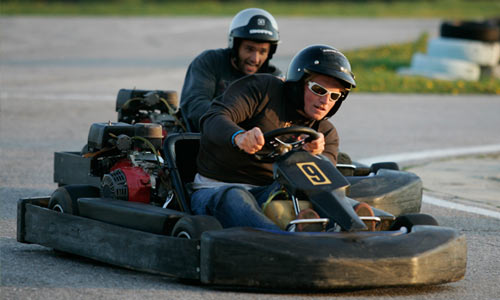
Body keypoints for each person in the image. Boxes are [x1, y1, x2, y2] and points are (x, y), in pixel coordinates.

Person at [190, 44, 357, 230]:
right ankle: (283, 240)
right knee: (236, 196)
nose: (325, 101)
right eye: (318, 90)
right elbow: (213, 117)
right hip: (217, 189)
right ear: (298, 83)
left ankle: (357, 228)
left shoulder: (325, 133)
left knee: (321, 198)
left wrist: (314, 158)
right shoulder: (262, 90)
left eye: (334, 96)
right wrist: (238, 136)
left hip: (270, 193)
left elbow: (324, 186)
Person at [180, 8, 281, 132]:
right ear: (235, 46)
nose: (255, 59)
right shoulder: (210, 62)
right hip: (206, 141)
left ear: (270, 53)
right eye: (249, 49)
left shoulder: (274, 77)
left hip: (258, 146)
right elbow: (195, 106)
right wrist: (234, 129)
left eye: (262, 51)